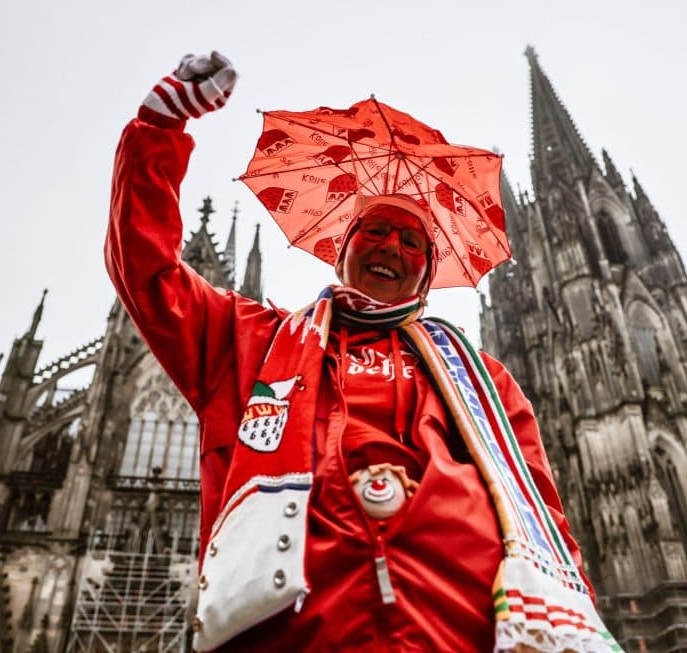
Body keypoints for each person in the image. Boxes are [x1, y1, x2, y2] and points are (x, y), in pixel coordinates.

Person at [106, 52, 597, 653]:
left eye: (412, 241)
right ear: (343, 248)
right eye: (376, 231)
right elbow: (147, 272)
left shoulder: (483, 381)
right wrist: (158, 131)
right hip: (297, 632)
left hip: (460, 631)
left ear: (426, 272)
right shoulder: (253, 340)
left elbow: (541, 512)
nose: (392, 246)